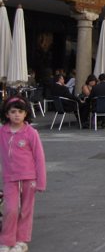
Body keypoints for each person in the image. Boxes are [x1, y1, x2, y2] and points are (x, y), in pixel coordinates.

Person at [0, 96, 47, 252]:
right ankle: (7, 240)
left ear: (26, 113)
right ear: (7, 114)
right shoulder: (2, 132)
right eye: (13, 112)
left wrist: (41, 181)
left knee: (26, 210)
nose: (17, 115)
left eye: (20, 111)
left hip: (29, 178)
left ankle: (22, 240)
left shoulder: (31, 133)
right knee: (10, 210)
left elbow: (39, 158)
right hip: (10, 178)